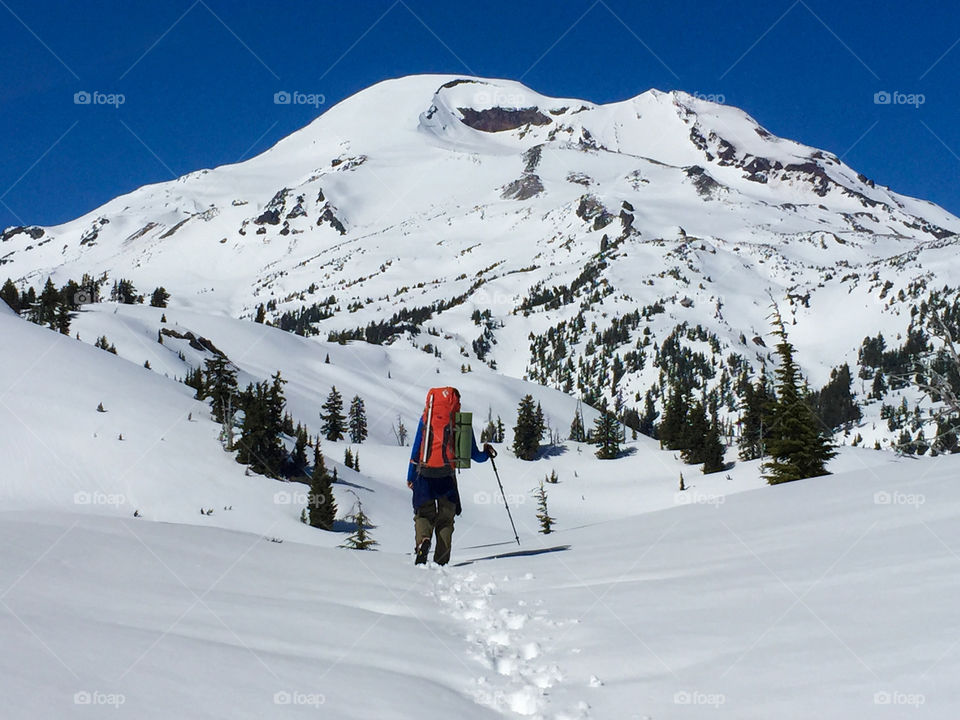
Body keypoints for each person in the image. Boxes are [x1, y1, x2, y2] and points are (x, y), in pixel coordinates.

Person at [407, 387, 496, 565]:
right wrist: (487, 452)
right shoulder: (461, 422)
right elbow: (475, 456)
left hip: (424, 475)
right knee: (446, 520)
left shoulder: (426, 419)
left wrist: (410, 476)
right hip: (446, 477)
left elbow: (416, 450)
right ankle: (441, 562)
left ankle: (423, 540)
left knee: (423, 515)